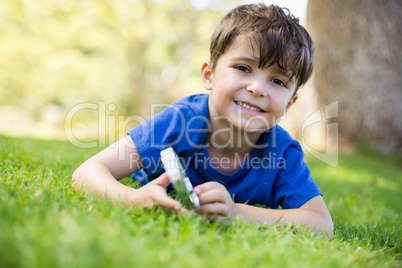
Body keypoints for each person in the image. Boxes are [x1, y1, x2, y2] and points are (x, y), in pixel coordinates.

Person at [72, 3, 333, 237]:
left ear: (289, 104)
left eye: (277, 81)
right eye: (243, 68)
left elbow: (321, 222)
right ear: (209, 75)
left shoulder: (282, 153)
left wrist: (237, 213)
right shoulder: (180, 121)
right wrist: (132, 199)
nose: (257, 88)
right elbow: (86, 173)